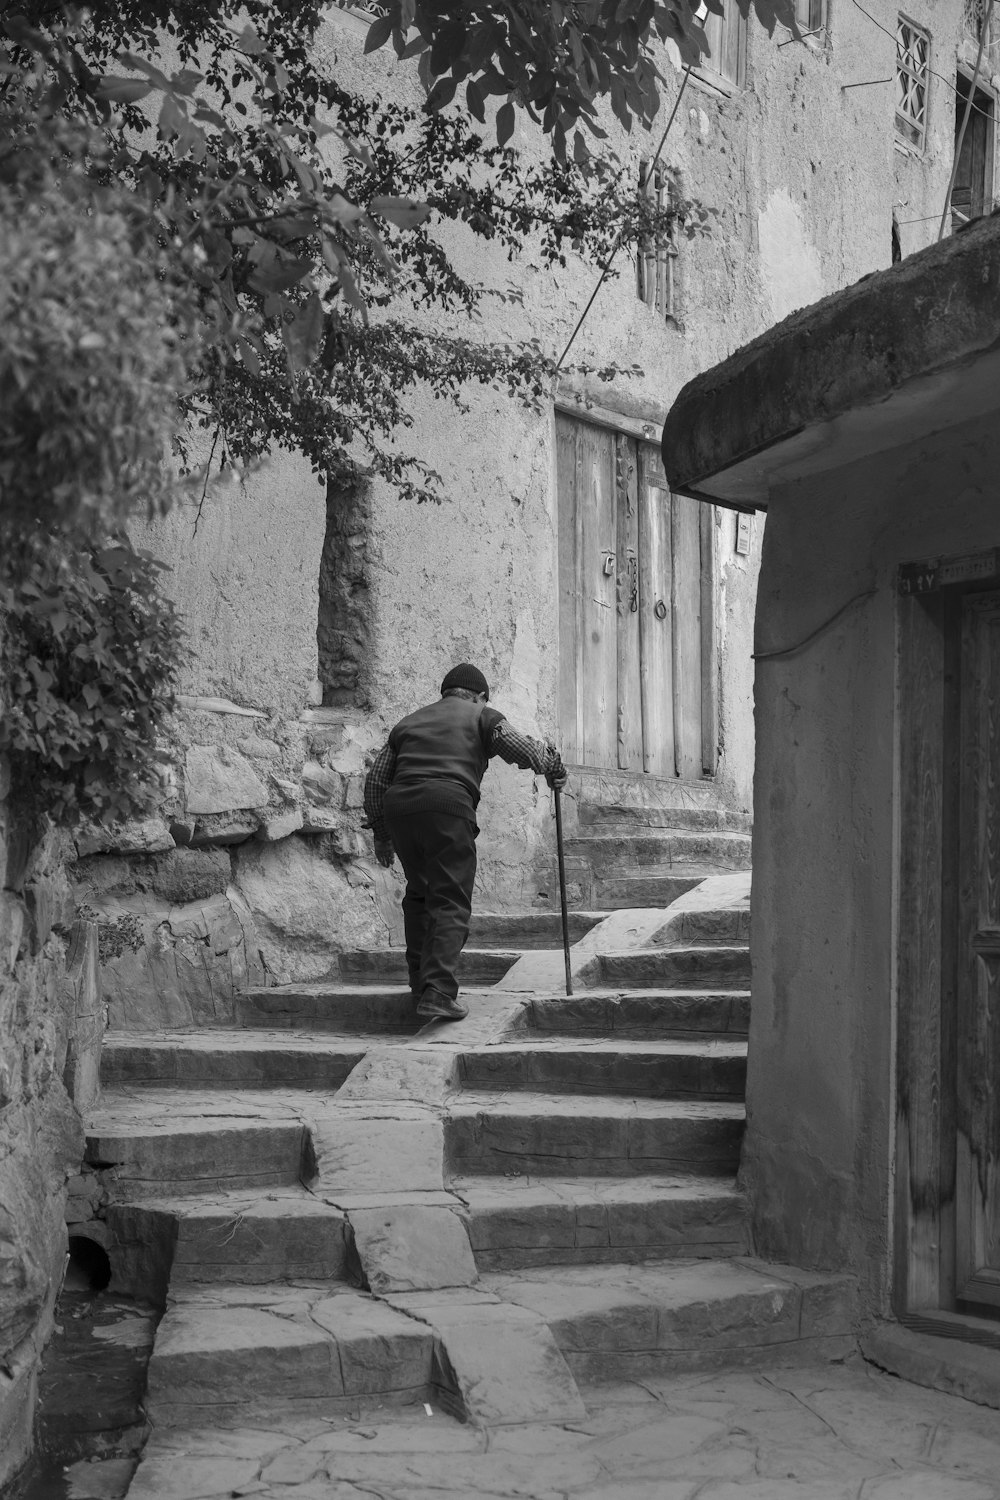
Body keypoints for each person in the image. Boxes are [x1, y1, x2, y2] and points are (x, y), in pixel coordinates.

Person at [363, 663, 568, 1022]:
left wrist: (382, 835)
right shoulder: (482, 715)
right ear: (480, 696)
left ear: (445, 693)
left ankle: (419, 984)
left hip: (401, 811)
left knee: (420, 894)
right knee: (450, 898)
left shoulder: (409, 722)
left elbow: (377, 780)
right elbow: (522, 749)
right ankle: (439, 990)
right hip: (448, 806)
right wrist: (553, 766)